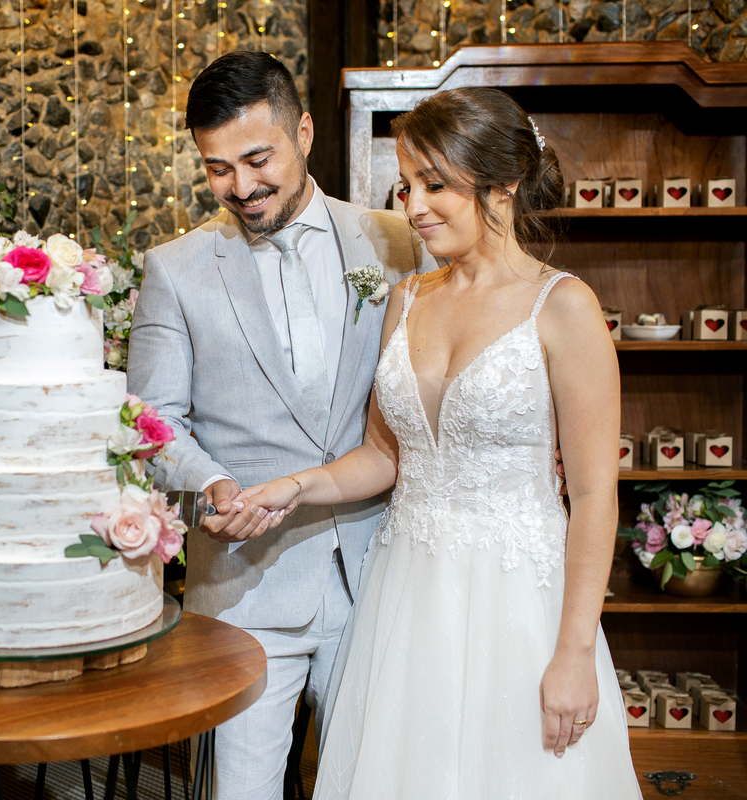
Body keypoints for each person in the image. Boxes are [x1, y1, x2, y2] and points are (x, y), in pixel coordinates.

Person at [238, 87, 642, 798]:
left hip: (519, 603)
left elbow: (595, 497)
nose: (413, 207)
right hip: (409, 596)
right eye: (405, 185)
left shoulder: (565, 307)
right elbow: (387, 456)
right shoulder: (408, 298)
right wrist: (294, 487)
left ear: (503, 184)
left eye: (435, 185)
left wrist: (575, 650)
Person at [126, 52, 436, 799]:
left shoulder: (397, 240)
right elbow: (149, 419)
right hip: (243, 590)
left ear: (303, 132)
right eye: (217, 168)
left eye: (257, 158)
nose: (241, 186)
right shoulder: (175, 268)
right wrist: (215, 483)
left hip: (380, 575)